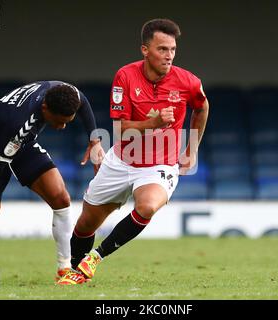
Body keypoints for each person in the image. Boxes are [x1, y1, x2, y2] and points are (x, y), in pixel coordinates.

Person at [58, 18, 209, 285]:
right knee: (85, 225)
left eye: (173, 49)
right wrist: (154, 123)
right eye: (162, 49)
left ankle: (96, 257)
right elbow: (120, 129)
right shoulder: (125, 76)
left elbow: (202, 106)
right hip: (122, 160)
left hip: (159, 165)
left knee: (147, 206)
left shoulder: (187, 81)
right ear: (145, 50)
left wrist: (192, 148)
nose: (169, 55)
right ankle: (73, 273)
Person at [0, 81, 105, 283]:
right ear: (45, 108)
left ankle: (64, 269)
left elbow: (81, 97)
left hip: (20, 144)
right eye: (60, 121)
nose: (63, 126)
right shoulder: (20, 124)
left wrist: (94, 140)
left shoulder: (58, 91)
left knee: (61, 198)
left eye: (68, 121)